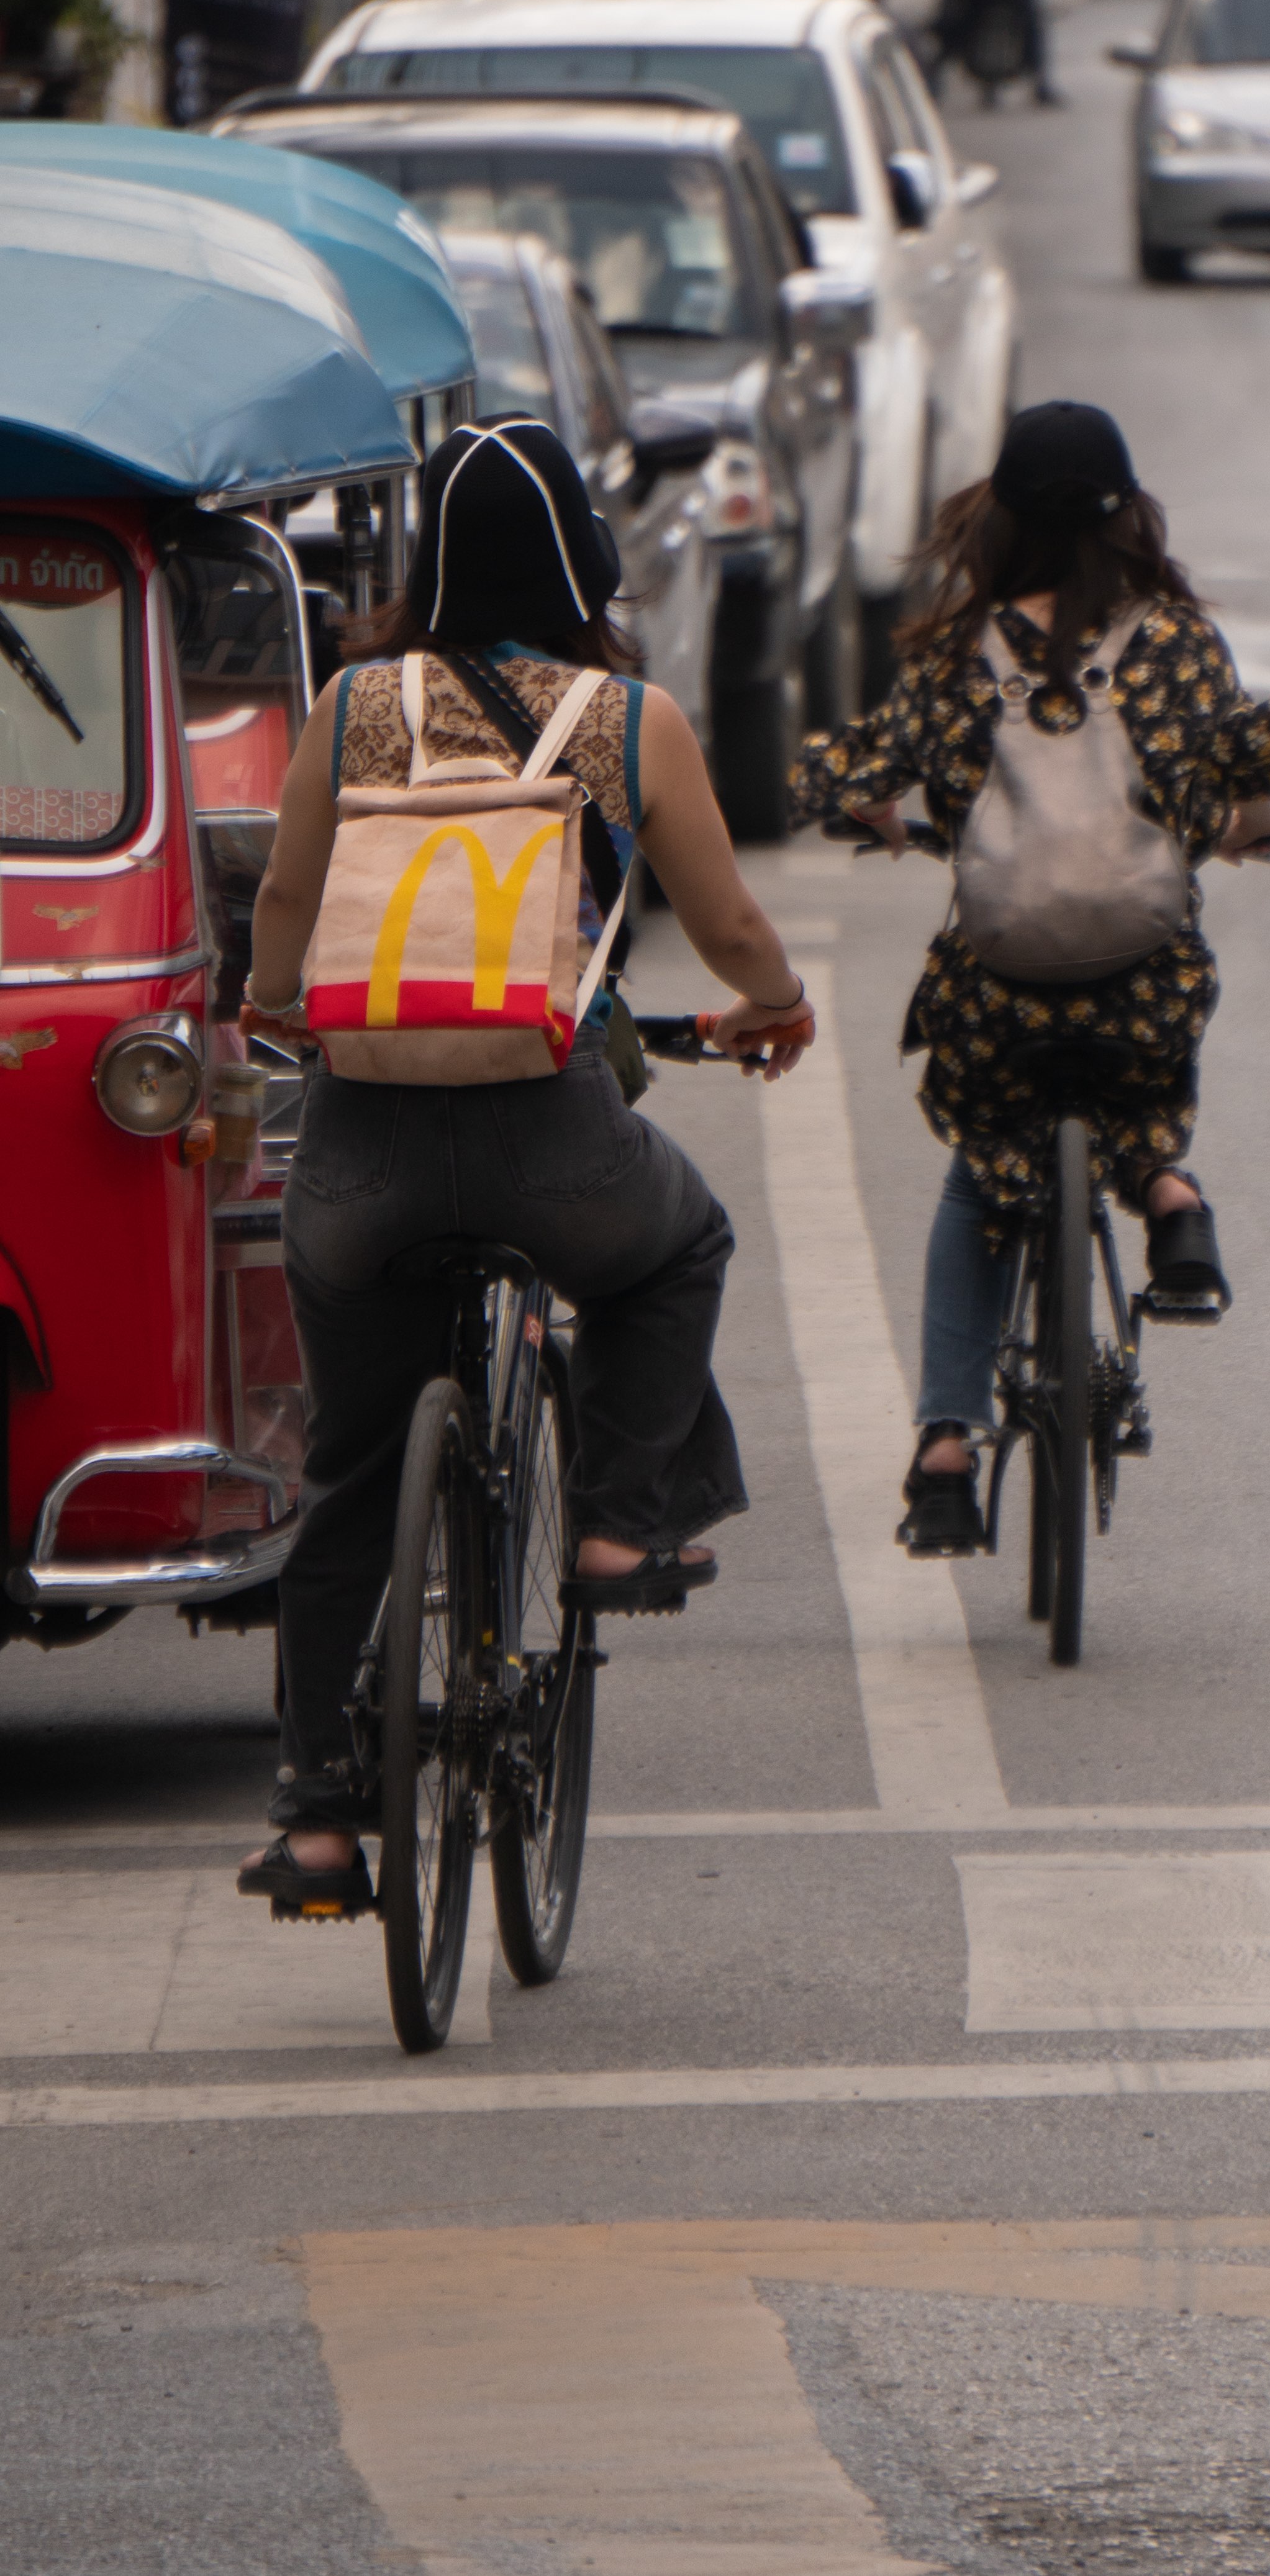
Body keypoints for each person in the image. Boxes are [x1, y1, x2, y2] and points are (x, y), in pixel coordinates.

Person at [233, 421, 815, 1917]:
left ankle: (311, 1822)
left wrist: (273, 998)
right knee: (678, 1247)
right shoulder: (628, 718)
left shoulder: (357, 702)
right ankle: (618, 1521)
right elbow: (732, 924)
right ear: (586, 559)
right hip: (552, 1140)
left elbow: (289, 896)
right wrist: (778, 1006)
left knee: (351, 1468)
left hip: (361, 1152)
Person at [790, 400, 1270, 1558]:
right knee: (1143, 1045)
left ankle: (943, 1445)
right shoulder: (1176, 642)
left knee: (985, 1171)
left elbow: (878, 776)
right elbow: (1243, 787)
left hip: (999, 983)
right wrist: (1240, 830)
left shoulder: (956, 649)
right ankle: (1166, 1191)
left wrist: (886, 818)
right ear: (1129, 515)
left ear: (996, 521)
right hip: (1142, 974)